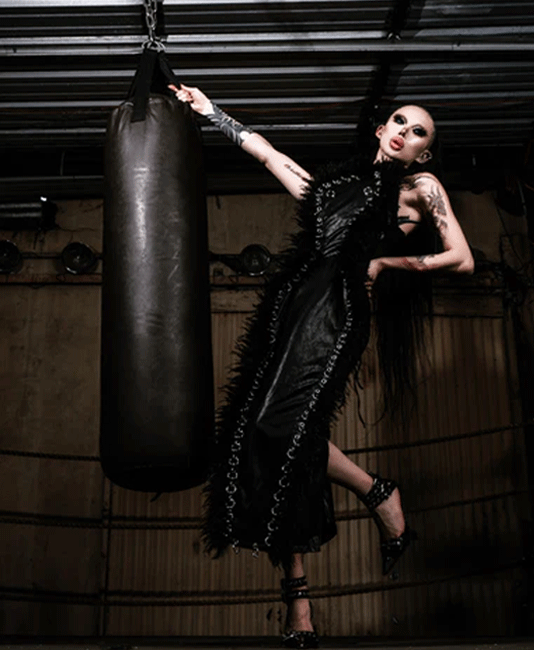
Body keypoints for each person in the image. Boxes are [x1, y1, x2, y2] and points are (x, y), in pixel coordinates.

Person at [169, 83, 474, 648]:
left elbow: (461, 257)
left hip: (338, 313)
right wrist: (210, 111)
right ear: (381, 129)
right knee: (267, 435)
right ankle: (311, 589)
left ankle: (355, 527)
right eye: (399, 122)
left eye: (418, 132)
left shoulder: (419, 187)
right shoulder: (330, 189)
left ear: (423, 152)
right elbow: (270, 156)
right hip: (293, 307)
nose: (404, 133)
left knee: (285, 430)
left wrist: (384, 262)